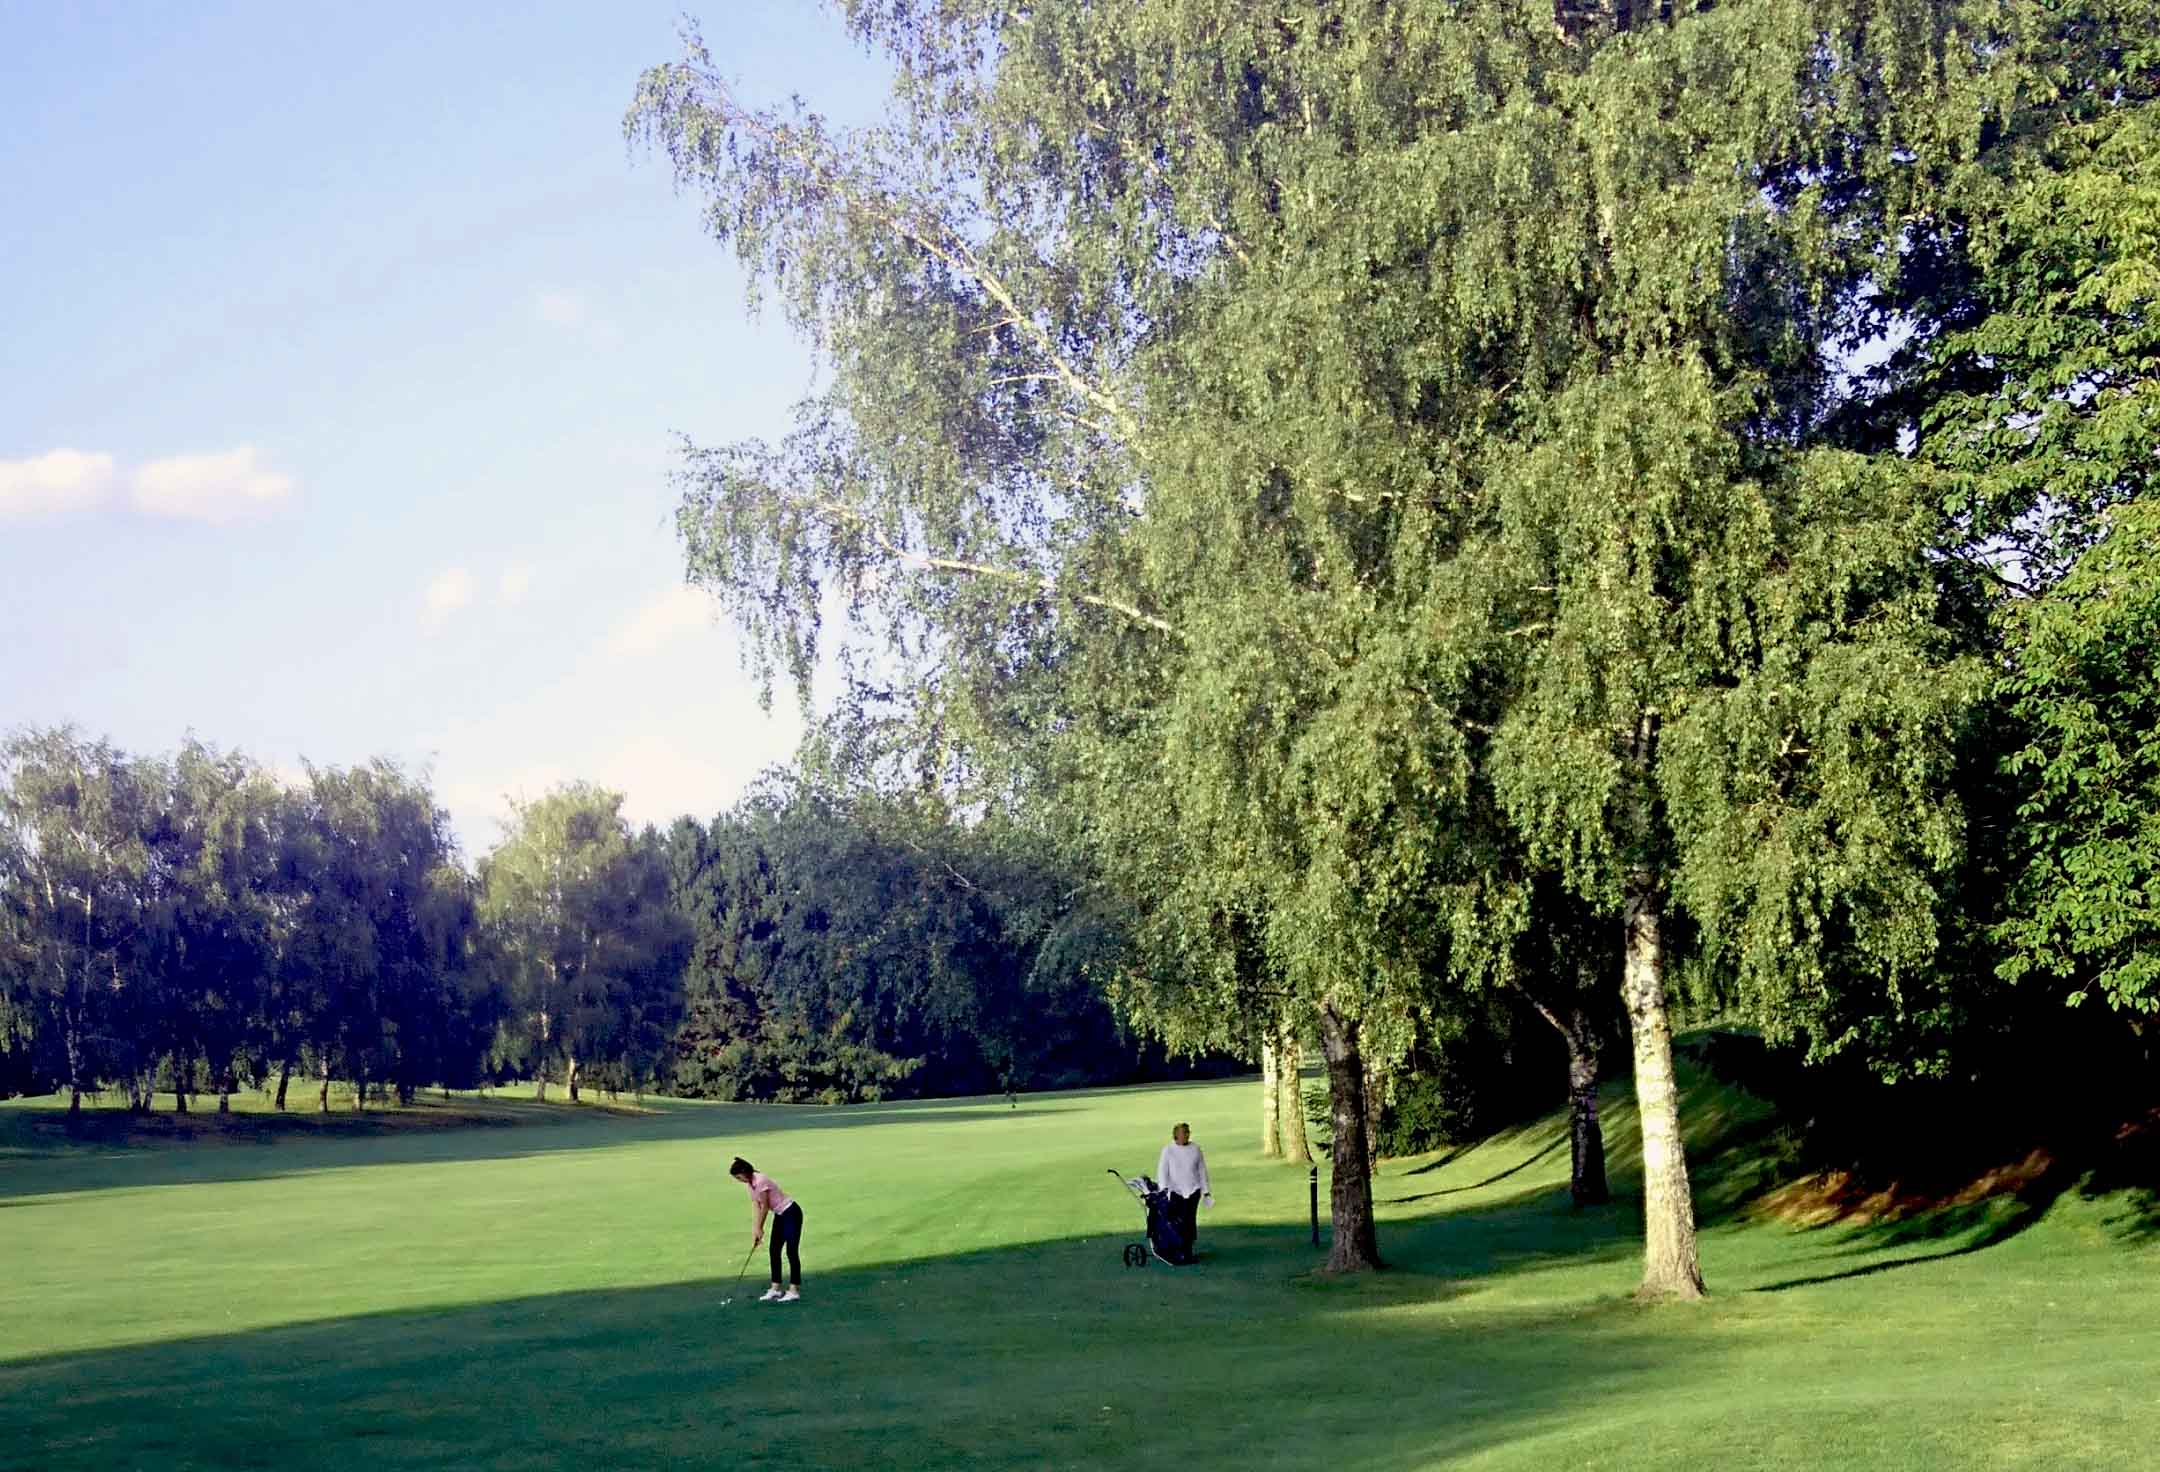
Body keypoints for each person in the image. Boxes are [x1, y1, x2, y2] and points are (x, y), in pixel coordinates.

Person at [730, 1155, 804, 1303]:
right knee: (774, 1250)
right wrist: (755, 1229)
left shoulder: (760, 1180)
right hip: (780, 1215)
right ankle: (775, 1289)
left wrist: (761, 1227)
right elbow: (756, 1205)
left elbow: (764, 1206)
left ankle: (794, 1290)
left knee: (791, 1251)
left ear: (745, 1172)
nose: (739, 1180)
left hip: (791, 1213)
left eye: (739, 1177)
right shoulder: (750, 1184)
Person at [1155, 1122, 1212, 1257]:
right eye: (1184, 1133)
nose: (1187, 1135)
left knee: (1190, 1220)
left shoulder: (1196, 1149)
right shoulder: (1168, 1150)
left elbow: (1202, 1170)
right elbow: (1162, 1172)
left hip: (1193, 1190)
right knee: (1177, 1221)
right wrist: (1164, 1191)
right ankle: (1177, 1249)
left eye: (1188, 1132)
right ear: (1176, 1135)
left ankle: (1187, 1250)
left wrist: (1206, 1191)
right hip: (1175, 1191)